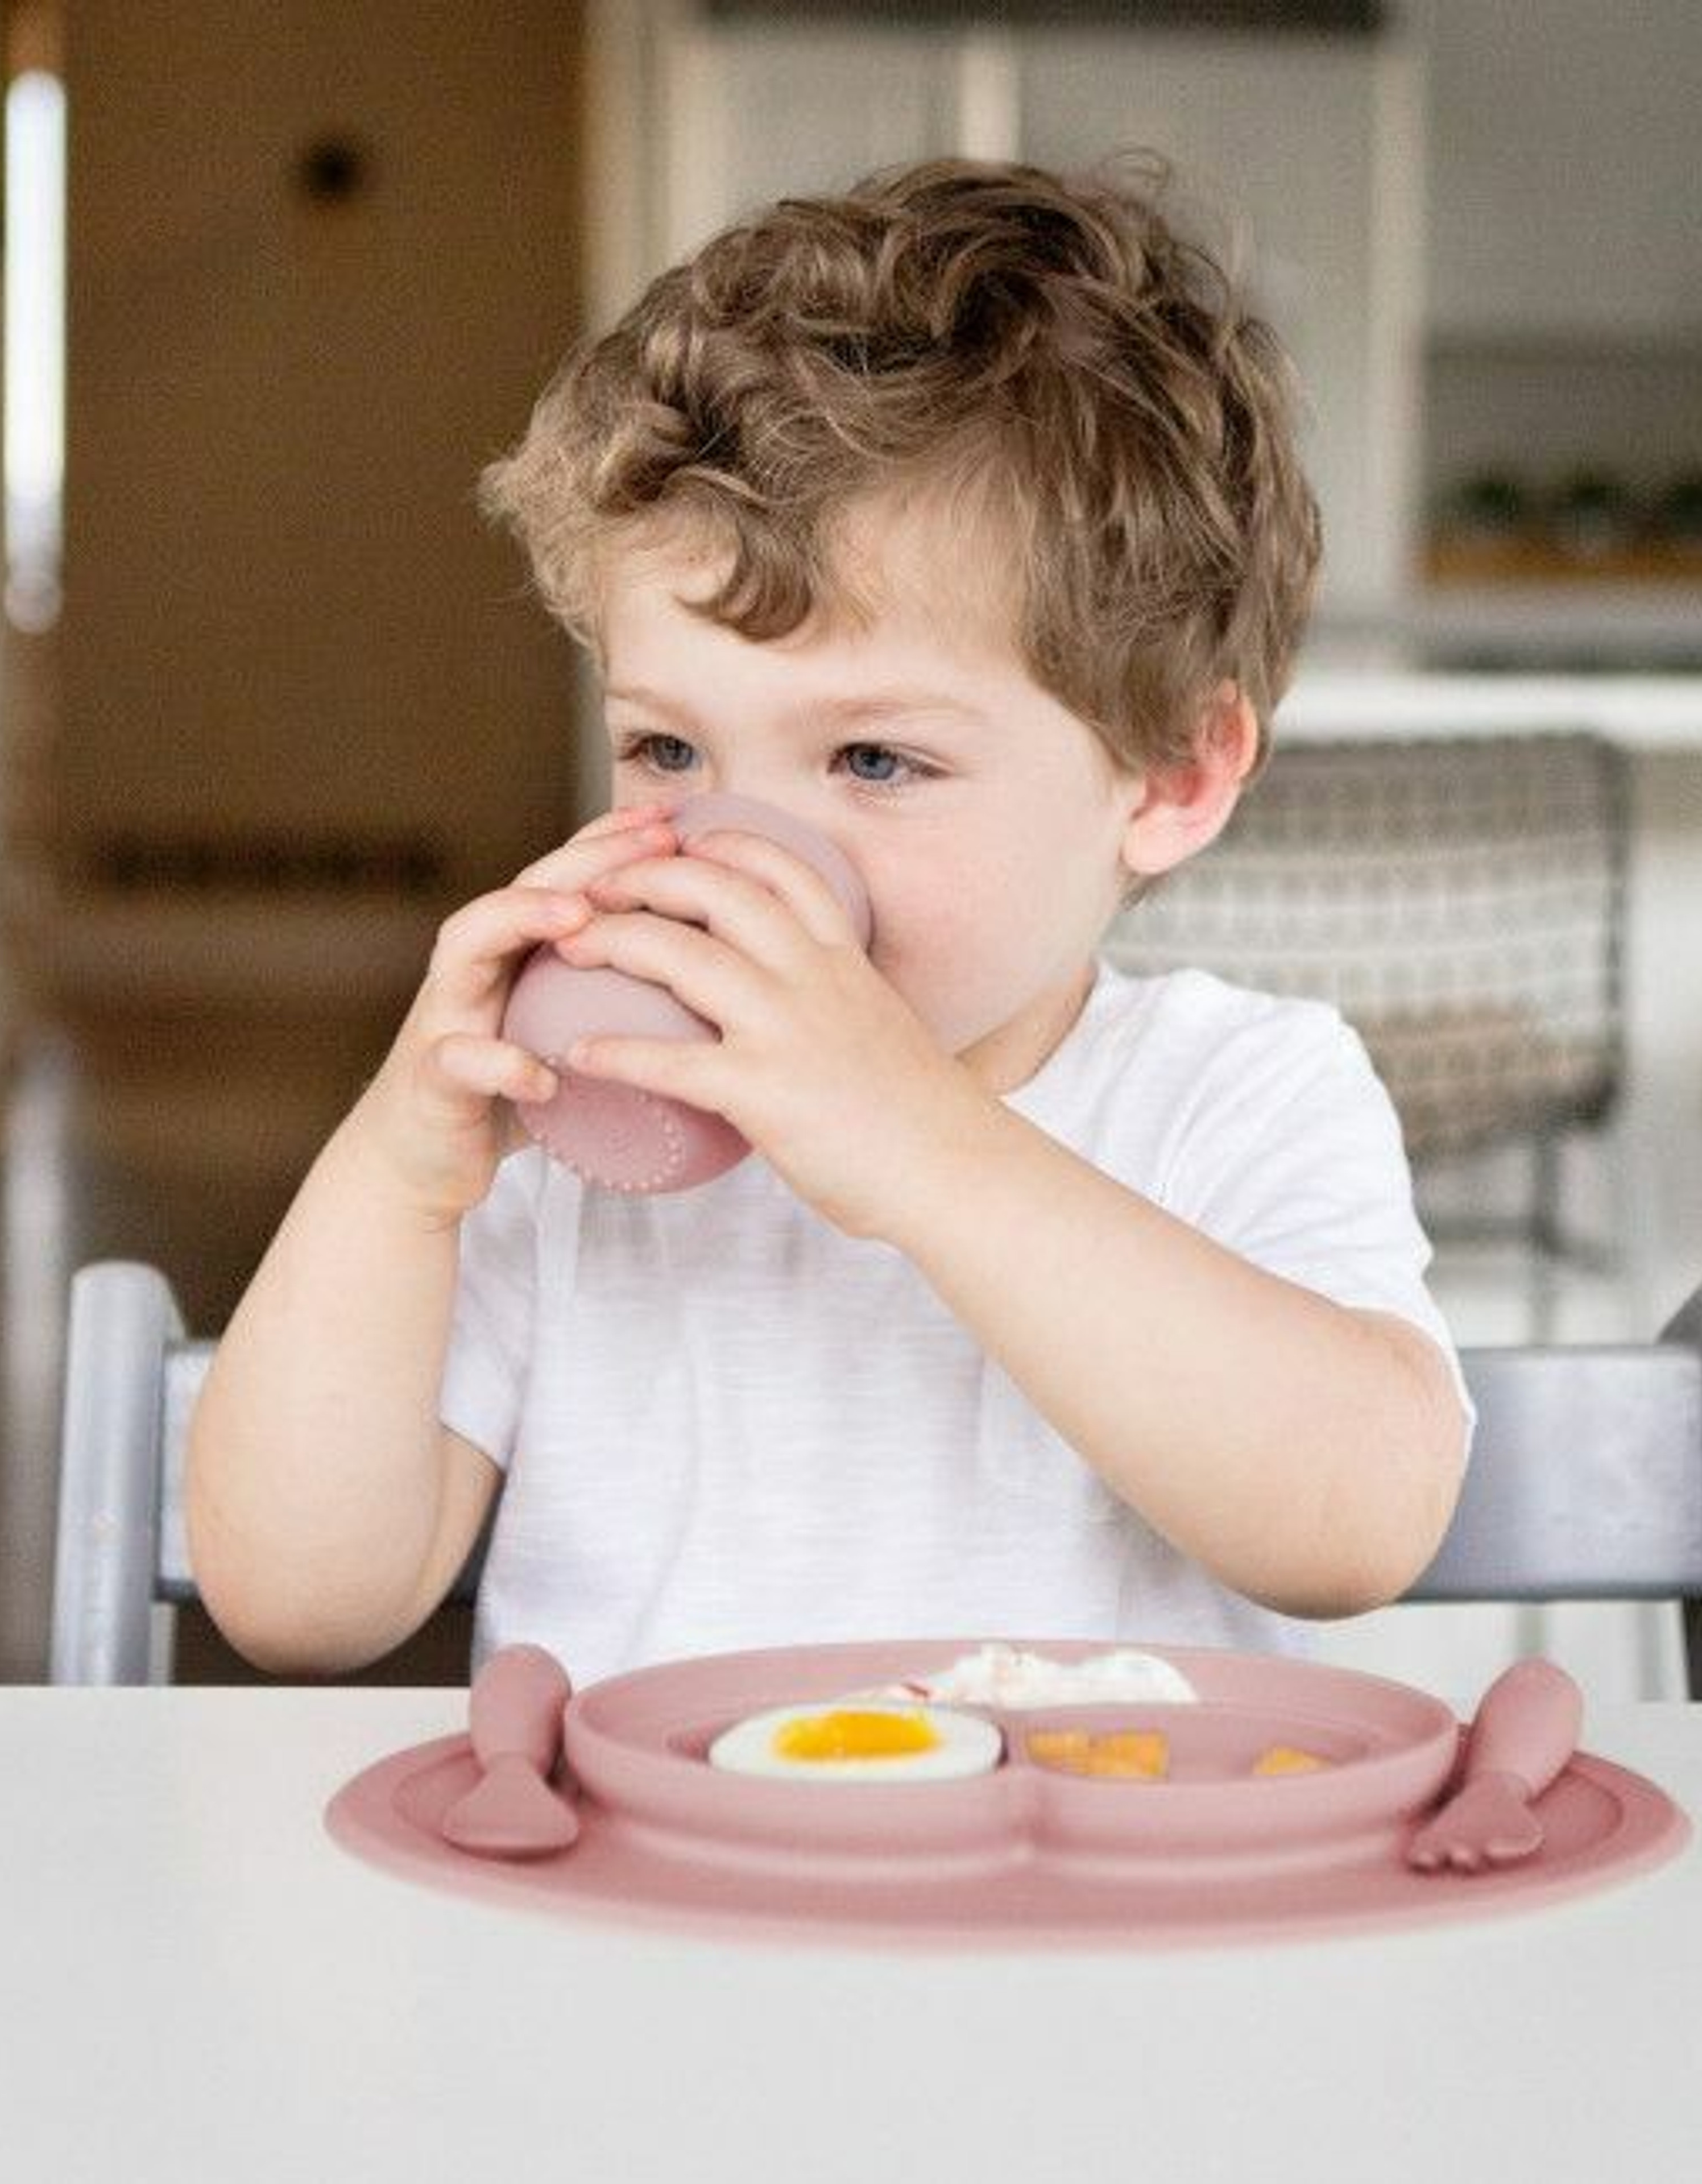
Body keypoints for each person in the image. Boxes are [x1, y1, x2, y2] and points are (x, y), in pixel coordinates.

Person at [186, 152, 1472, 1687]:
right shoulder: (577, 1154)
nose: (749, 851)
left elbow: (1355, 1525)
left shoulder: (1234, 1091)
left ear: (1172, 777)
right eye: (670, 749)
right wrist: (402, 1171)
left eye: (874, 759)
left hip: (1091, 1909)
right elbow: (294, 1599)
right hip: (644, 1912)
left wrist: (915, 1143)